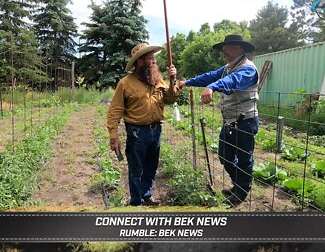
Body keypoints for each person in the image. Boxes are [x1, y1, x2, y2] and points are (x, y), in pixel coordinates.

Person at [178, 34, 260, 205]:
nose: (223, 51)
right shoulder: (228, 67)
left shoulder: (248, 69)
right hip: (230, 121)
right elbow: (209, 76)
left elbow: (233, 81)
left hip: (245, 121)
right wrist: (188, 82)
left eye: (226, 47)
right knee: (224, 156)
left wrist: (212, 87)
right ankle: (238, 185)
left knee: (244, 160)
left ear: (238, 49)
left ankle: (241, 192)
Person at [107, 42, 179, 206]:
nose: (154, 62)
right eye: (151, 58)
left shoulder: (157, 79)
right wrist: (113, 136)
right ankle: (136, 202)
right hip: (137, 133)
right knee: (136, 169)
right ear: (140, 61)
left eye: (154, 58)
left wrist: (173, 80)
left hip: (156, 130)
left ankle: (146, 195)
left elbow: (169, 99)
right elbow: (115, 111)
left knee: (151, 167)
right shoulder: (125, 83)